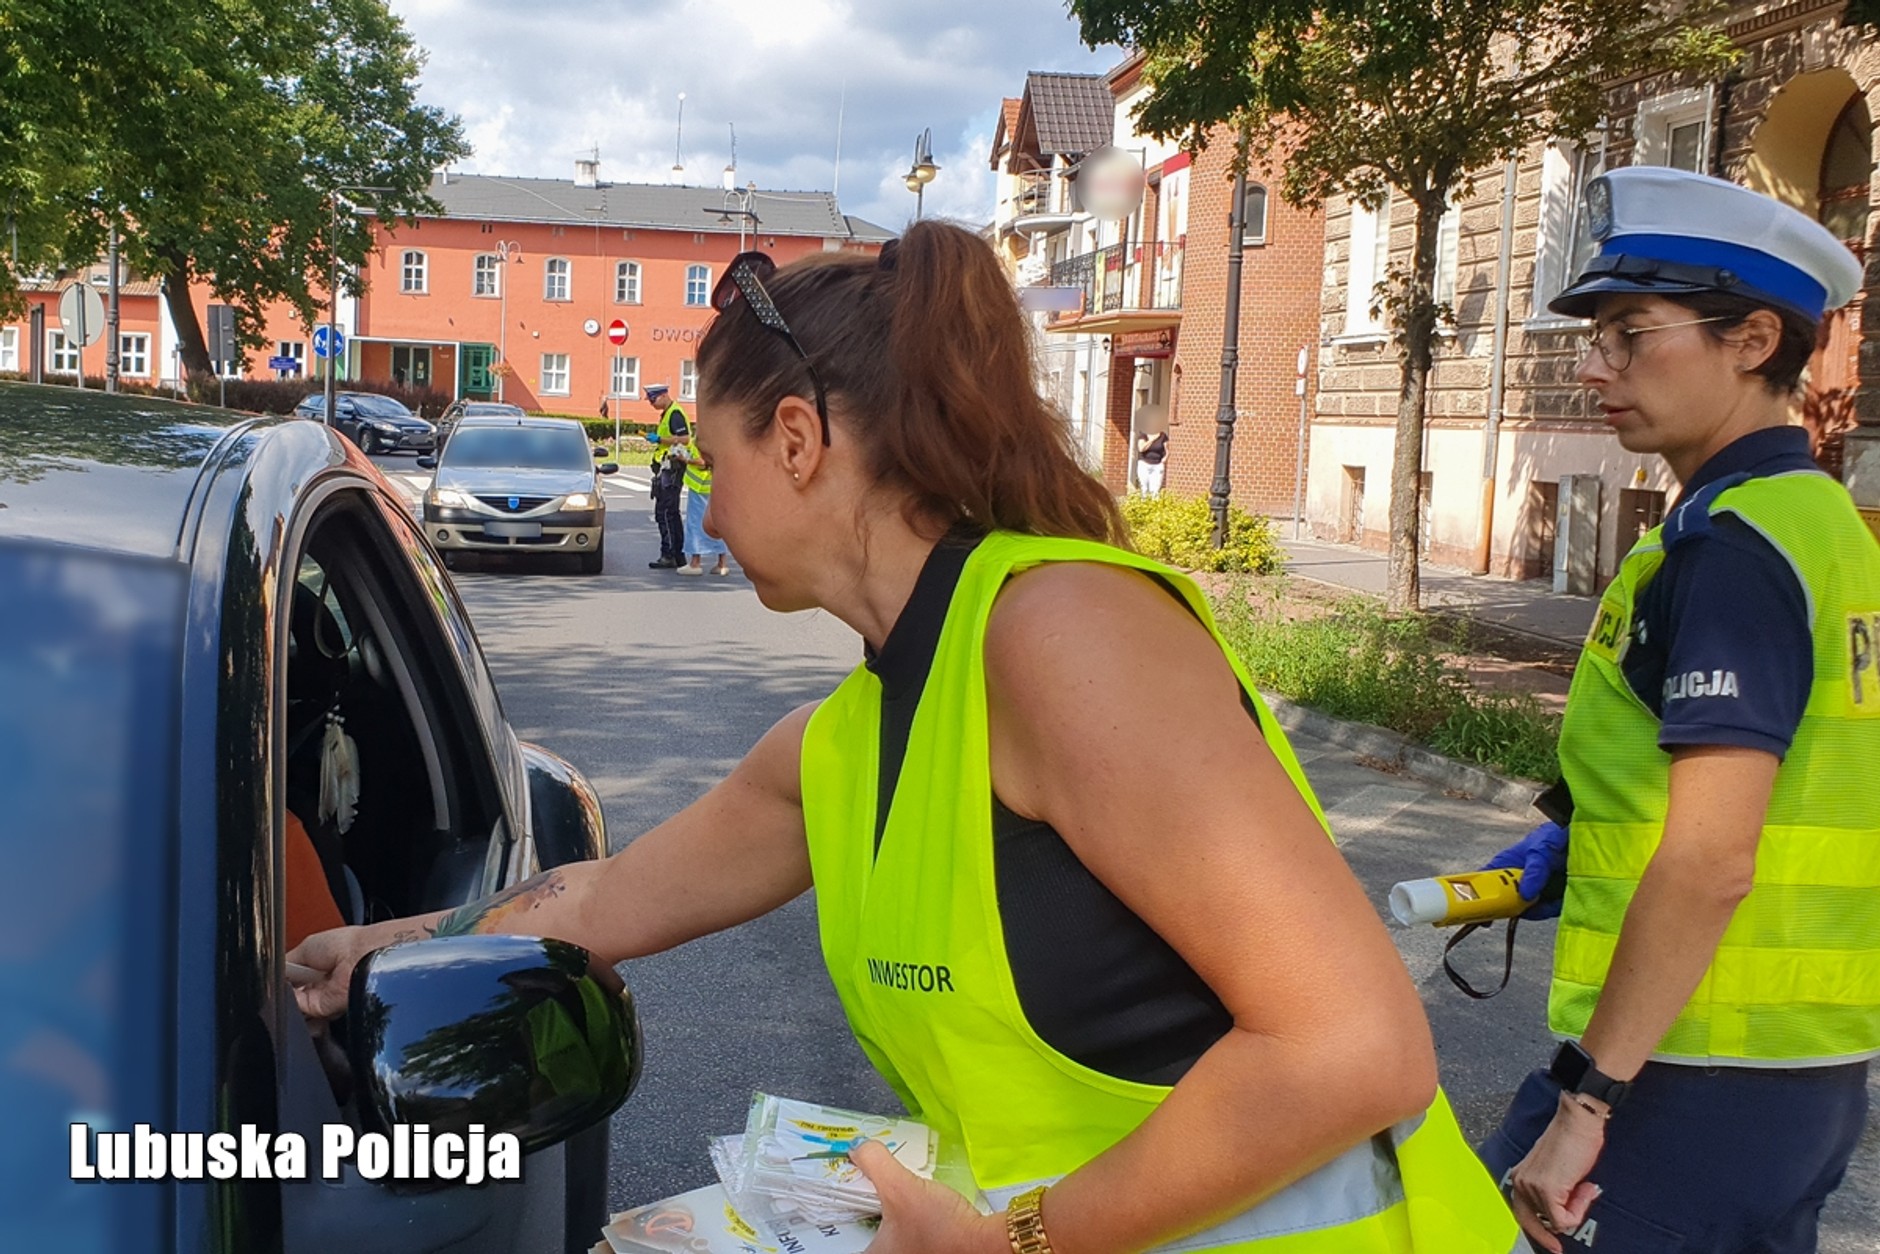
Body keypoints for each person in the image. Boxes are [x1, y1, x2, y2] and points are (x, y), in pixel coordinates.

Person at [291, 224, 1519, 1254]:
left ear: (795, 440)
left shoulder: (1059, 636)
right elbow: (605, 898)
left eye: (713, 462)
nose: (705, 510)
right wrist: (377, 950)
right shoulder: (841, 743)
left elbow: (1353, 1048)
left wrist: (1013, 1242)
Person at [1477, 166, 1879, 1253]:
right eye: (1593, 337)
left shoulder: (1731, 549)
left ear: (1752, 340)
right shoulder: (1820, 524)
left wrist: (1585, 1104)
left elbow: (1710, 859)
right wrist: (1577, 845)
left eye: (1629, 335)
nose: (1592, 365)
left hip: (1680, 1074)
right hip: (1797, 1070)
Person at [642, 383, 690, 569]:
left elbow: (685, 439)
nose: (651, 404)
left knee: (666, 512)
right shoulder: (668, 413)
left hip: (672, 469)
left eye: (653, 400)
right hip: (667, 468)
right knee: (670, 513)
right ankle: (677, 554)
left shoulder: (675, 414)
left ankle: (670, 554)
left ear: (663, 396)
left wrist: (660, 439)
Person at [675, 437, 730, 577]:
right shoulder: (721, 439)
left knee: (695, 524)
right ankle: (722, 564)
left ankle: (695, 563)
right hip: (715, 484)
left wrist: (685, 459)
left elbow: (702, 462)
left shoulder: (703, 439)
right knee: (718, 523)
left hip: (700, 486)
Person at [1135, 428, 1168, 496]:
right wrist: (1151, 440)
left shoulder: (1162, 436)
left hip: (1157, 465)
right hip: (1144, 464)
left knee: (1155, 488)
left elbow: (1167, 450)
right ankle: (1144, 501)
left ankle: (1154, 501)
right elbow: (1141, 449)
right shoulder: (1143, 435)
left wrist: (1165, 458)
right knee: (1144, 487)